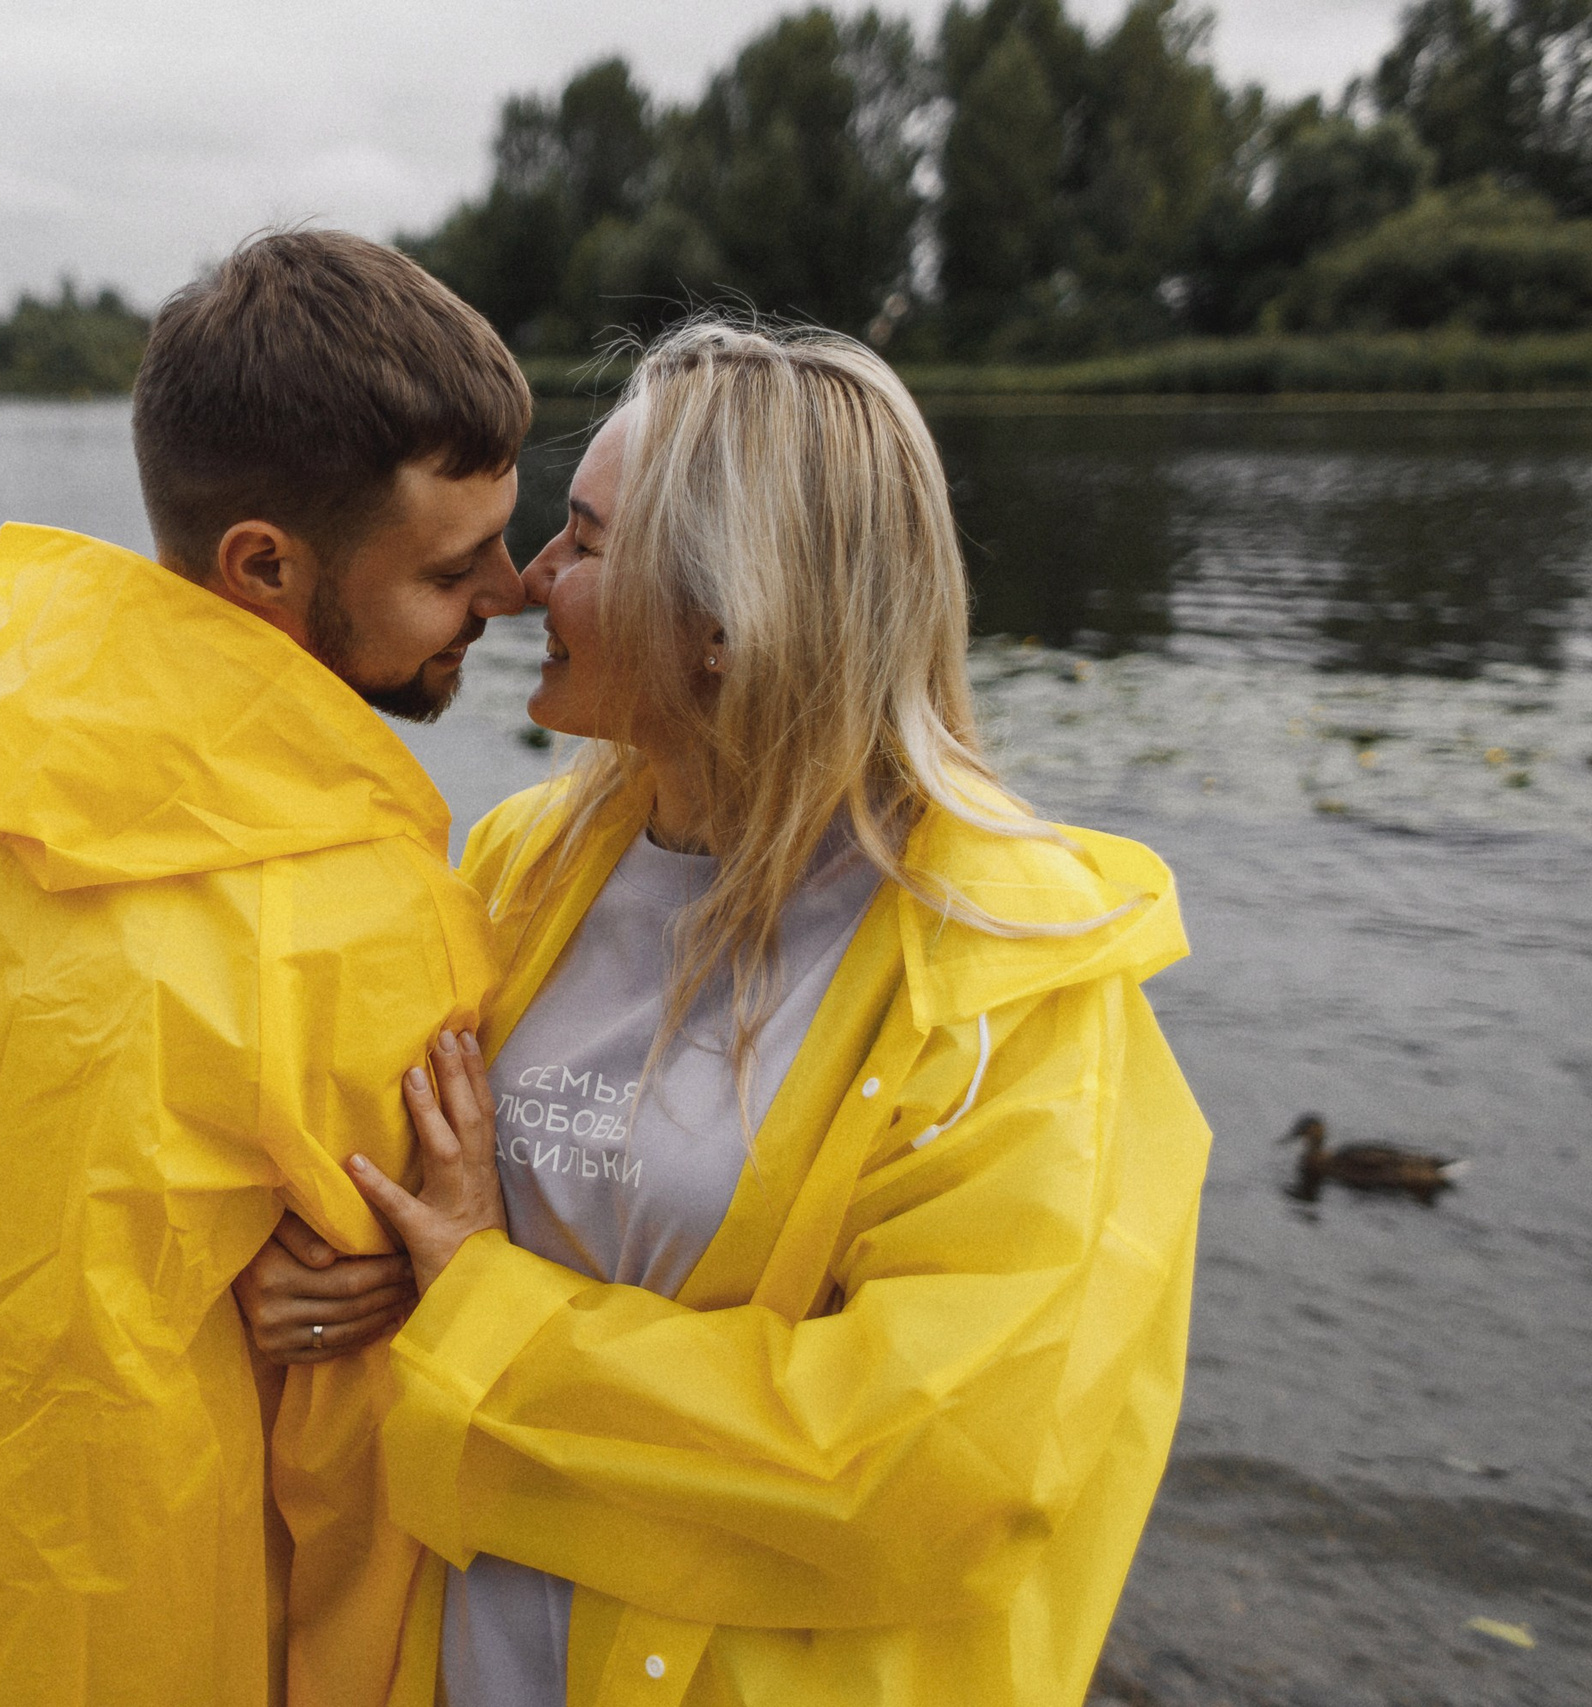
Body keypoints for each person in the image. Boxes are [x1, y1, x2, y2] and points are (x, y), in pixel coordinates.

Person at [236, 321, 1211, 1707]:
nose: (524, 586)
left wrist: (474, 1304)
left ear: (725, 620)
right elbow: (409, 1220)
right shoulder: (523, 864)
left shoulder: (1018, 974)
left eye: (580, 540)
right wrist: (336, 1277)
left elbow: (933, 1460)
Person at [0, 229, 531, 1707]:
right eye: (456, 565)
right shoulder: (365, 917)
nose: (512, 596)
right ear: (266, 565)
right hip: (140, 1630)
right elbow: (357, 1470)